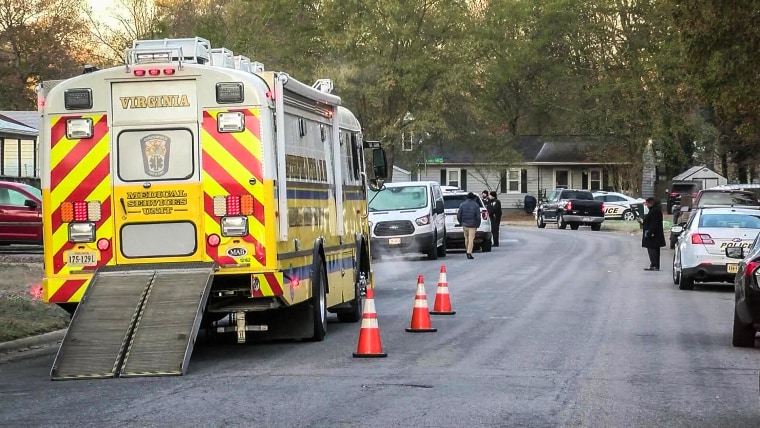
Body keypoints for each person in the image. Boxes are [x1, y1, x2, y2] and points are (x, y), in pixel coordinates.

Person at [639, 197, 666, 270]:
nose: (646, 205)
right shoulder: (654, 210)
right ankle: (654, 265)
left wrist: (649, 233)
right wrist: (643, 221)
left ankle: (654, 264)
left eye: (647, 203)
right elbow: (649, 221)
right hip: (654, 234)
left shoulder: (655, 211)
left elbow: (654, 223)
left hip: (653, 234)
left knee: (652, 249)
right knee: (653, 249)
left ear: (651, 203)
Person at [457, 192, 482, 259]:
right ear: (473, 198)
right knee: (471, 239)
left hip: (465, 224)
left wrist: (461, 222)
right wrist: (478, 224)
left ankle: (467, 249)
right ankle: (469, 252)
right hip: (473, 225)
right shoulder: (476, 205)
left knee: (466, 238)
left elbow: (459, 215)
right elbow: (478, 217)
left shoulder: (462, 205)